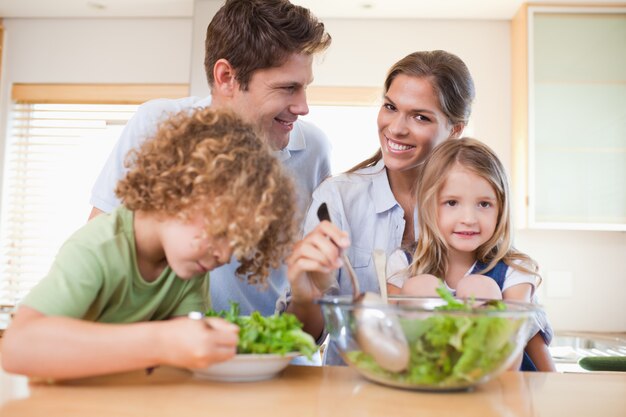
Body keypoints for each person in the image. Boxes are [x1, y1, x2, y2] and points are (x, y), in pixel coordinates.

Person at [1, 108, 298, 380]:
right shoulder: (98, 248)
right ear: (178, 191)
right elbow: (17, 347)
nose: (224, 254)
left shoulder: (186, 268)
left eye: (236, 243)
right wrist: (162, 341)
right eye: (220, 231)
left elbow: (186, 361)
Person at [88, 0, 332, 316]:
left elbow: (309, 287)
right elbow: (101, 247)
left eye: (305, 87)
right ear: (226, 76)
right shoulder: (158, 123)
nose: (303, 107)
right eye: (288, 88)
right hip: (170, 348)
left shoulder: (312, 148)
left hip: (272, 351)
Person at [283, 50, 476, 365]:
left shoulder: (475, 206)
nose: (396, 128)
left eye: (420, 116)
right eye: (390, 107)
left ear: (455, 129)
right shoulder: (338, 200)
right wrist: (307, 297)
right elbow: (303, 338)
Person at [387, 137, 555, 371]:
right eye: (452, 202)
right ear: (428, 204)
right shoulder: (404, 264)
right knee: (421, 286)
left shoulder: (513, 271)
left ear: (501, 209)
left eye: (484, 204)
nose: (468, 218)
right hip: (428, 383)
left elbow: (528, 349)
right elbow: (389, 341)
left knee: (480, 287)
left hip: (498, 385)